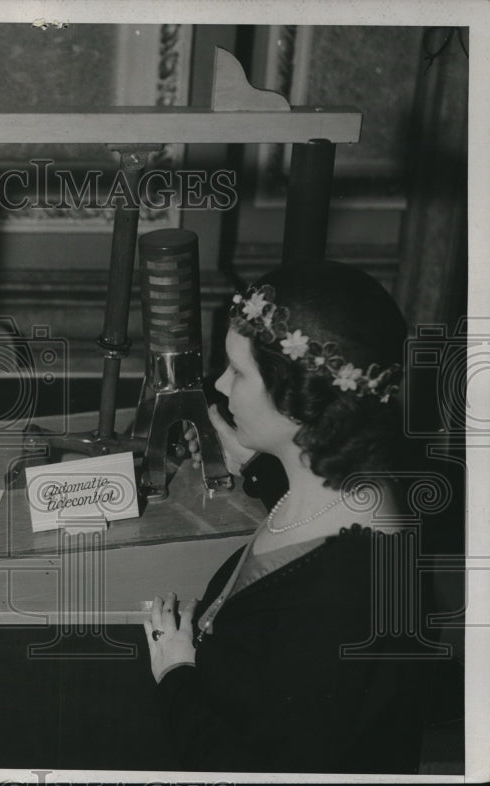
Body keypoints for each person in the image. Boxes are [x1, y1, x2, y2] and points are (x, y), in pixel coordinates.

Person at [142, 261, 433, 773]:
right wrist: (253, 457)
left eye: (238, 372)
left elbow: (246, 769)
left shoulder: (345, 598)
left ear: (299, 395)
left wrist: (177, 674)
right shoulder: (354, 482)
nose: (220, 384)